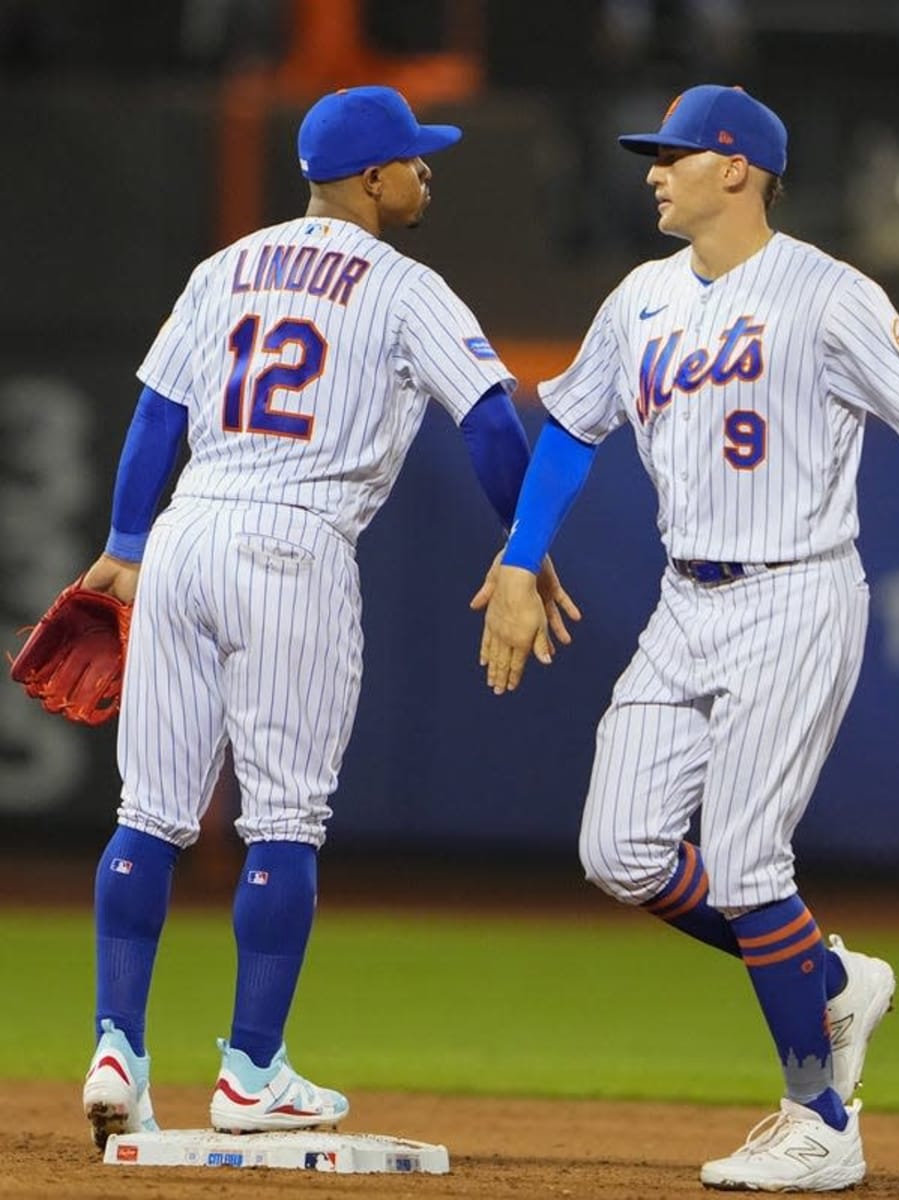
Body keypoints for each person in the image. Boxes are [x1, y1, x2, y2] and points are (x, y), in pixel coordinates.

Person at [477, 84, 899, 1192]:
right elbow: (570, 433)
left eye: (673, 154)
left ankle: (821, 1118)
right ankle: (832, 979)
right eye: (650, 155)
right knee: (619, 850)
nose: (652, 172)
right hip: (685, 602)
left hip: (797, 593)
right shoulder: (640, 300)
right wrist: (521, 556)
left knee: (752, 858)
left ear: (738, 168)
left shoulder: (829, 294)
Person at [79, 84, 577, 1148]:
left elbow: (156, 413)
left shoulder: (224, 268)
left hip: (184, 531)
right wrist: (524, 546)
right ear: (368, 178)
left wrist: (126, 545)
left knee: (149, 811)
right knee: (285, 821)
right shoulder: (405, 288)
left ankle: (116, 1043)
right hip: (293, 542)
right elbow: (491, 423)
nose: (426, 172)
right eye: (414, 159)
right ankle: (252, 1070)